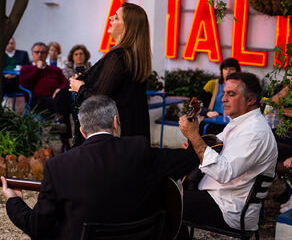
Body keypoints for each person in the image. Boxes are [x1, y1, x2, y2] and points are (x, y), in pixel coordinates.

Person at [1, 94, 202, 240]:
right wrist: (193, 135)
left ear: (82, 130)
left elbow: (38, 228)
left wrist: (13, 200)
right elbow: (192, 160)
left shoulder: (58, 166)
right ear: (115, 122)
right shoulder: (140, 150)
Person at [177, 72, 278, 238]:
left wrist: (194, 137)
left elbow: (223, 172)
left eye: (231, 94)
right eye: (224, 93)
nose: (223, 99)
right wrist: (194, 142)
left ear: (251, 100)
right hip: (219, 197)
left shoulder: (255, 132)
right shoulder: (240, 123)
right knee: (164, 193)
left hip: (230, 209)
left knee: (165, 202)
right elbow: (213, 147)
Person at [69, 2, 152, 146]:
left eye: (116, 17)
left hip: (115, 134)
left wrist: (80, 87)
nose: (111, 20)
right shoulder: (133, 56)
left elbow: (100, 98)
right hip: (131, 131)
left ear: (127, 26)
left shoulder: (118, 57)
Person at [19, 42, 72, 149]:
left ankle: (59, 119)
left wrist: (59, 89)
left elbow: (65, 82)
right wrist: (37, 69)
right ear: (32, 54)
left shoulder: (55, 70)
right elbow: (25, 84)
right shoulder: (27, 68)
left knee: (65, 92)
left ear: (47, 54)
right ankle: (65, 140)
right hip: (38, 100)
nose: (40, 55)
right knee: (64, 108)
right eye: (37, 52)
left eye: (43, 52)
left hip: (56, 98)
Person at [197, 57, 241, 135]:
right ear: (221, 71)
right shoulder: (212, 84)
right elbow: (195, 105)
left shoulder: (241, 87)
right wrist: (207, 112)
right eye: (225, 69)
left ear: (237, 72)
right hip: (213, 120)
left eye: (231, 69)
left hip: (232, 122)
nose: (228, 72)